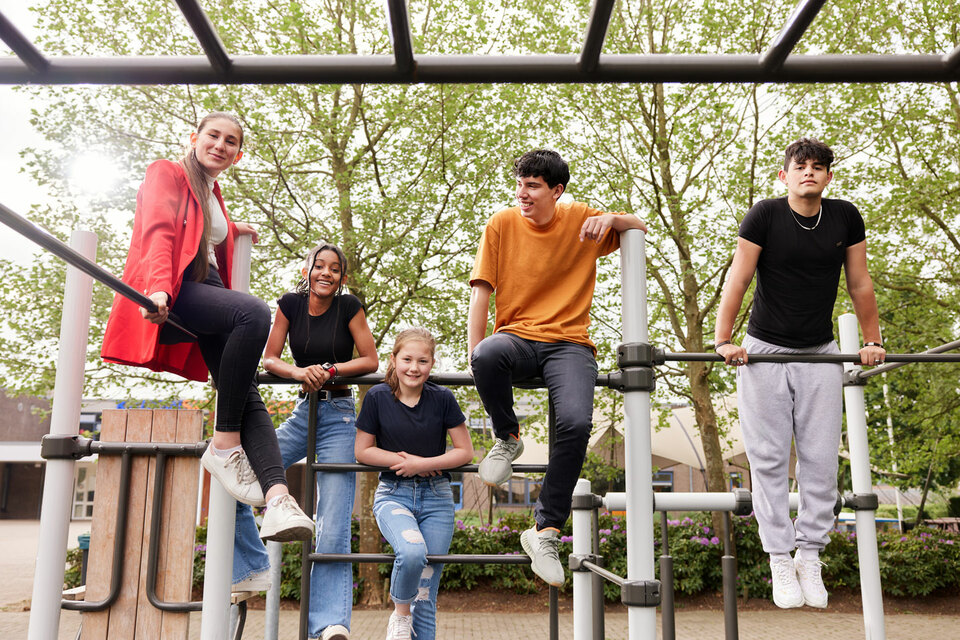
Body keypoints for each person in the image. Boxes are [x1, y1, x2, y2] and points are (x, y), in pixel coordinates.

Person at [101, 111, 313, 543]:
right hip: (178, 287)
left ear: (237, 154)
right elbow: (160, 231)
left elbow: (200, 227)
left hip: (206, 286)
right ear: (194, 138)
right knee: (253, 313)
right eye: (213, 136)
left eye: (231, 141)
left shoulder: (212, 192)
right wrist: (158, 289)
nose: (221, 145)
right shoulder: (168, 172)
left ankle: (277, 501)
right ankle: (223, 444)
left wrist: (233, 230)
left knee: (244, 389)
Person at [713, 137, 885, 609]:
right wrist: (723, 339)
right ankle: (778, 559)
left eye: (817, 167)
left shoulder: (845, 216)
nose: (808, 172)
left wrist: (871, 341)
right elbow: (739, 277)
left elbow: (859, 282)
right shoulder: (764, 214)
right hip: (763, 351)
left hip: (820, 351)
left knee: (820, 462)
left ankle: (810, 554)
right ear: (785, 175)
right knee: (768, 460)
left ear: (828, 177)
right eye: (800, 166)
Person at [468, 149, 647, 586]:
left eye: (533, 185)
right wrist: (475, 357)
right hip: (517, 338)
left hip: (569, 343)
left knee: (574, 422)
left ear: (556, 191)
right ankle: (507, 437)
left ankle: (545, 530)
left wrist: (612, 219)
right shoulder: (502, 223)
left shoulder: (581, 220)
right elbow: (481, 292)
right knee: (487, 353)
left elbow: (639, 226)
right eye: (520, 184)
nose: (522, 193)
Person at [232, 242, 378, 640]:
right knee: (240, 476)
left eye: (335, 269)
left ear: (342, 278)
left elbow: (370, 360)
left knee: (332, 521)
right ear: (307, 270)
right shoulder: (289, 305)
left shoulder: (350, 308)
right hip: (303, 412)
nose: (326, 273)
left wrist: (329, 370)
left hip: (339, 415)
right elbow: (271, 359)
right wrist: (299, 373)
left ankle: (330, 625)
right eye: (319, 265)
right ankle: (250, 567)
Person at [355, 328, 474, 640]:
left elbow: (465, 451)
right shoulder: (378, 397)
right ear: (393, 360)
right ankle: (399, 613)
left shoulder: (443, 398)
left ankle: (410, 614)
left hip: (437, 499)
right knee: (411, 553)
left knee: (426, 593)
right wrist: (400, 461)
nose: (414, 367)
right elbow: (362, 450)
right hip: (394, 495)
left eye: (423, 361)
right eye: (407, 359)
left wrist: (422, 464)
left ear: (431, 364)